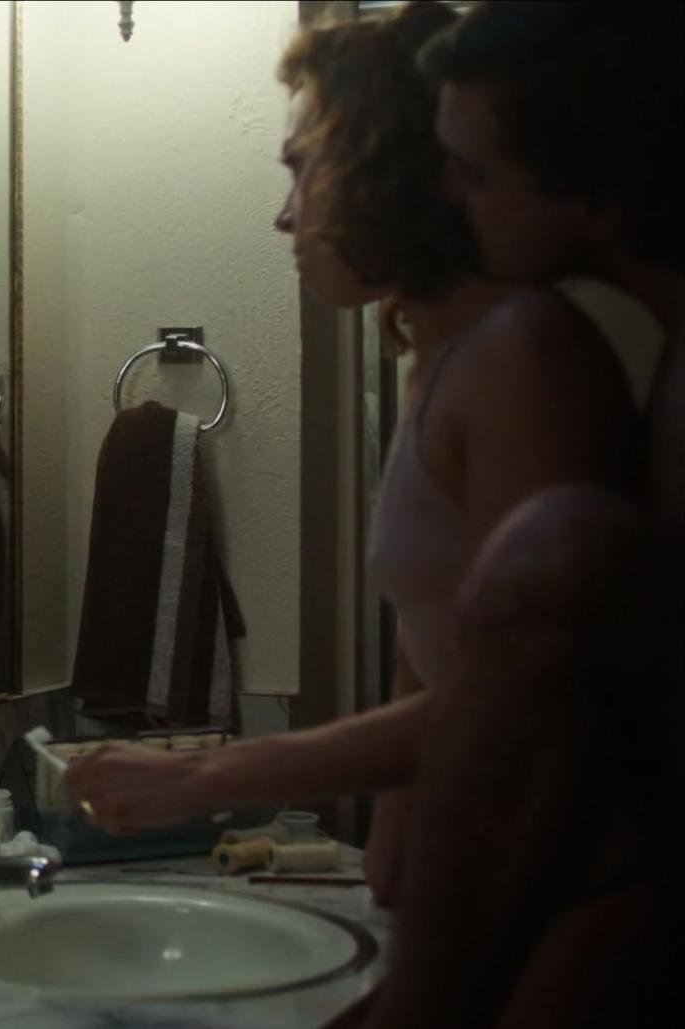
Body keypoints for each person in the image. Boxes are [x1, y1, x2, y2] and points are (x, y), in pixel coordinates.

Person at [64, 1, 640, 907]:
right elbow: (432, 653)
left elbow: (534, 698)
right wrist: (393, 865)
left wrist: (207, 775)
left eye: (303, 168)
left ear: (382, 166)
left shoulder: (523, 357)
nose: (285, 217)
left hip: (568, 894)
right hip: (474, 888)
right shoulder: (440, 359)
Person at [356, 2, 685, 1024]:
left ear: (592, 192)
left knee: (557, 549)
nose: (442, 193)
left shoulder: (535, 356)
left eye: (474, 171)